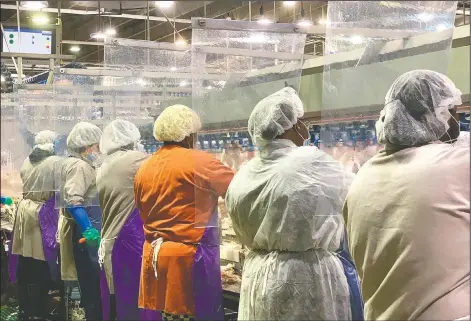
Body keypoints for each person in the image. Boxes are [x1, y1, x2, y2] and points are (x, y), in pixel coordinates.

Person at [225, 87, 363, 320]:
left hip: (259, 277)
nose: (305, 127)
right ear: (292, 125)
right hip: (306, 277)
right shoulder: (310, 161)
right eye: (300, 120)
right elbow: (358, 194)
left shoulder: (244, 173)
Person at [343, 70, 469, 320]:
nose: (456, 120)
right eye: (451, 111)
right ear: (439, 116)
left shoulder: (364, 176)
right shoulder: (456, 164)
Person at [134, 104, 234, 321]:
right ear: (189, 135)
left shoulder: (146, 166)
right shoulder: (199, 161)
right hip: (189, 258)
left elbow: (142, 209)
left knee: (169, 317)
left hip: (155, 257)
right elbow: (240, 190)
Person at [97, 119, 148, 320]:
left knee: (118, 304)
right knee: (134, 304)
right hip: (128, 242)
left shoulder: (106, 163)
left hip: (111, 240)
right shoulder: (135, 160)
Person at [11, 130, 61, 320]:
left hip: (25, 210)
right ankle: (39, 310)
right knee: (41, 260)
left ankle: (25, 307)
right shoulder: (53, 162)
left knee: (26, 258)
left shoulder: (28, 159)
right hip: (41, 214)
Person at [58, 122, 103, 321]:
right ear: (87, 146)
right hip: (84, 231)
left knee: (88, 282)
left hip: (80, 228)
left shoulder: (72, 162)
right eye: (97, 145)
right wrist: (89, 230)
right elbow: (73, 201)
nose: (99, 150)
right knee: (91, 282)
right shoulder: (80, 166)